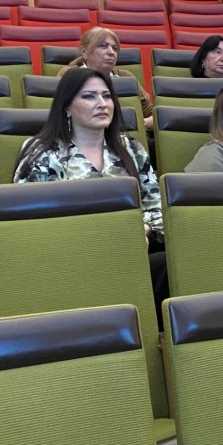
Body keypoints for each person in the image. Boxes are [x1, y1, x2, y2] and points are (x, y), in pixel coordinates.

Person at [13, 67, 169, 319]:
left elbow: (159, 208)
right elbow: (25, 225)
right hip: (68, 258)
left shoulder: (131, 148)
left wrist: (143, 228)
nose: (102, 103)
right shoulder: (42, 151)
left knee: (174, 263)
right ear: (66, 106)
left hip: (131, 252)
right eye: (89, 96)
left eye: (106, 96)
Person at [57, 27, 154, 132]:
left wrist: (139, 125)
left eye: (114, 48)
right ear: (84, 52)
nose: (111, 52)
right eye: (103, 46)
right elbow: (58, 113)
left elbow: (153, 116)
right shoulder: (69, 75)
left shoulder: (126, 77)